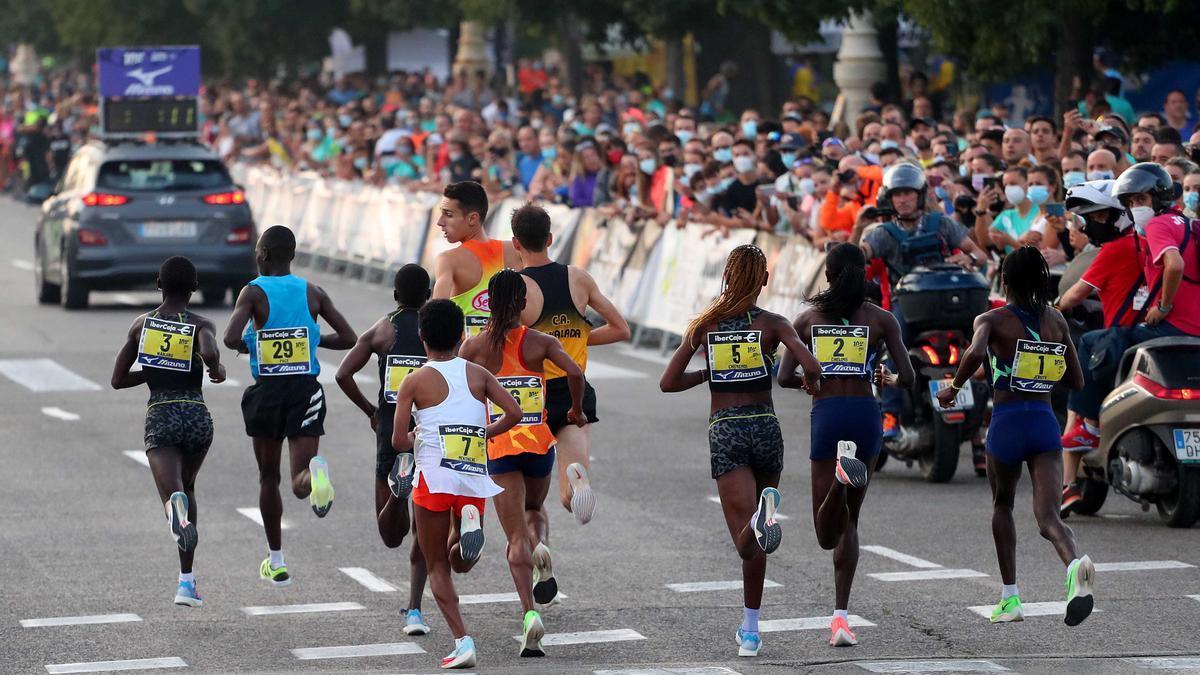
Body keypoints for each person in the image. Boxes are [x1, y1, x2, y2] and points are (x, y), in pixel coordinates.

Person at [660, 244, 823, 658]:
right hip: (766, 427)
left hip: (727, 429)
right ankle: (751, 626)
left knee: (746, 541)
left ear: (727, 277)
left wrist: (708, 372)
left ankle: (751, 626)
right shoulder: (774, 324)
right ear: (765, 280)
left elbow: (668, 382)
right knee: (758, 539)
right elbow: (812, 365)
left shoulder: (706, 326)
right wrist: (809, 383)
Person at [937, 247, 1094, 627]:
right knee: (1048, 517)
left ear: (1003, 280)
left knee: (1002, 503)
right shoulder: (1056, 321)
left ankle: (1010, 597)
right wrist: (1041, 369)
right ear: (1043, 281)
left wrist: (953, 387)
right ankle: (1074, 566)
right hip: (1043, 422)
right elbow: (1076, 380)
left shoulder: (991, 318)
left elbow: (974, 353)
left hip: (1006, 422)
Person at [779, 243, 913, 648]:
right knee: (850, 522)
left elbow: (784, 377)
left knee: (825, 532)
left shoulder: (808, 319)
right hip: (865, 416)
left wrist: (810, 380)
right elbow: (907, 377)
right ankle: (841, 619)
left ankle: (840, 478)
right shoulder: (881, 319)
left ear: (828, 276)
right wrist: (883, 375)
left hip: (829, 413)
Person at [459, 269, 586, 656]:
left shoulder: (474, 348)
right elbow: (576, 372)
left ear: (490, 303)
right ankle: (542, 547)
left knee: (514, 536)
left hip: (498, 445)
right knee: (535, 508)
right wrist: (576, 410)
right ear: (524, 304)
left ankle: (530, 615)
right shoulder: (540, 341)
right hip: (537, 444)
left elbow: (460, 394)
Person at [391, 299, 523, 669]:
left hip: (434, 477)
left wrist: (417, 433)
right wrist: (483, 433)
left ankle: (462, 641)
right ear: (462, 334)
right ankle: (466, 526)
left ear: (421, 338)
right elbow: (513, 412)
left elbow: (398, 442)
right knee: (461, 562)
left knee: (437, 567)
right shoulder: (478, 374)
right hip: (471, 475)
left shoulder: (413, 381)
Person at [223, 225, 357, 586]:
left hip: (267, 392)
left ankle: (276, 559)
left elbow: (230, 337)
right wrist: (311, 338)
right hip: (305, 391)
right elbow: (349, 337)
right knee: (300, 483)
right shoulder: (313, 292)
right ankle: (315, 475)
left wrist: (256, 342)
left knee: (269, 476)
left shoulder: (252, 292)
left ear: (263, 255)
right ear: (292, 255)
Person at [110, 256, 225, 607]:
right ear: (194, 288)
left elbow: (117, 379)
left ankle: (173, 506)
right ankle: (186, 583)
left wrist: (152, 371)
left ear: (158, 285)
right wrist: (214, 366)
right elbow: (209, 350)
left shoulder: (142, 324)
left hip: (161, 413)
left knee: (173, 494)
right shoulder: (201, 322)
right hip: (196, 414)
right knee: (189, 487)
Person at [1065, 163, 1200, 452]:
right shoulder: (1191, 224)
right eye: (1131, 202)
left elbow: (1174, 264)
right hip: (1195, 330)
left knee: (1093, 341)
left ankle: (1088, 428)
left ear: (1159, 197)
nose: (1136, 207)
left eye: (1142, 199)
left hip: (1171, 326)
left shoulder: (1157, 225)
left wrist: (1164, 306)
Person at [512, 204, 630, 525]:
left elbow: (502, 342)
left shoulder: (517, 288)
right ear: (550, 238)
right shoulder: (578, 278)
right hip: (574, 390)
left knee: (525, 496)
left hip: (531, 395)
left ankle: (532, 550)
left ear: (516, 244)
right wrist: (573, 341)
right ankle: (577, 483)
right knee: (570, 494)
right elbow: (621, 329)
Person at [334, 264, 432, 635]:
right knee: (425, 526)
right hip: (430, 432)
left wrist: (371, 411)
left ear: (395, 295)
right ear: (429, 295)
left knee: (390, 534)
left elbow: (343, 374)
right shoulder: (437, 327)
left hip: (391, 432)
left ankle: (397, 493)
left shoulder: (383, 329)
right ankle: (414, 608)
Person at [855, 163, 986, 438]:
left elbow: (980, 254)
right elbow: (860, 254)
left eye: (909, 193)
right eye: (897, 194)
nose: (903, 199)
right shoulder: (882, 233)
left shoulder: (943, 224)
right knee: (892, 346)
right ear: (888, 198)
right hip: (907, 308)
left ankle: (984, 421)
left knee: (982, 346)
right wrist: (859, 232)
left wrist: (968, 258)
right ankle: (890, 414)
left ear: (921, 195)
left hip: (950, 306)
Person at [1054, 181, 1143, 514]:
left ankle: (1069, 485)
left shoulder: (1115, 250)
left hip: (1116, 340)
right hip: (1158, 335)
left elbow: (1074, 295)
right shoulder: (1153, 244)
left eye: (1098, 215)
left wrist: (1053, 307)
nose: (1089, 223)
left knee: (1077, 403)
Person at [432, 181, 522, 339]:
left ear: (472, 219)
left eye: (448, 215)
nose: (440, 222)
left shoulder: (448, 260)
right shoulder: (514, 252)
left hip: (467, 357)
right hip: (509, 356)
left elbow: (436, 319)